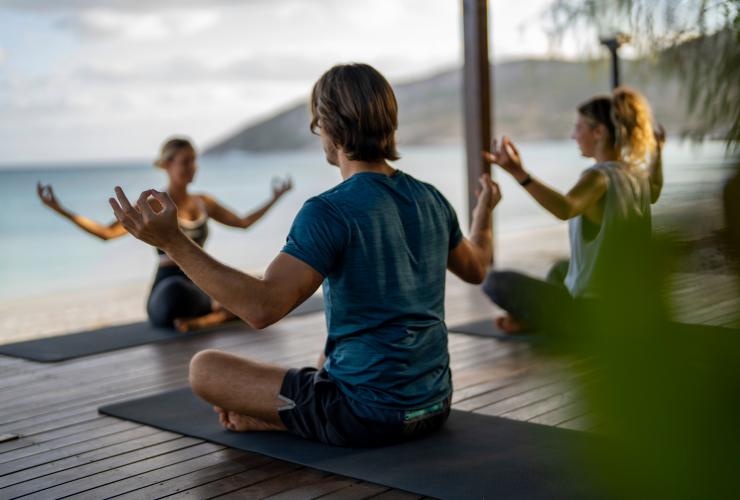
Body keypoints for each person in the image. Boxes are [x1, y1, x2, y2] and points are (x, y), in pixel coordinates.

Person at [109, 63, 501, 447]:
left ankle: (286, 421)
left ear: (327, 126)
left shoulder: (329, 210)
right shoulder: (431, 198)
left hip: (368, 416)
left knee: (205, 369)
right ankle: (299, 412)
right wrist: (483, 214)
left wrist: (174, 241)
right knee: (330, 350)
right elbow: (477, 267)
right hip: (434, 404)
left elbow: (261, 307)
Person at [37, 137, 292, 332]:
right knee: (176, 291)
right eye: (186, 162)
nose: (193, 168)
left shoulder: (204, 202)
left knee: (254, 284)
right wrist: (61, 210)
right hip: (168, 286)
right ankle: (218, 313)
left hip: (202, 280)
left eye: (194, 161)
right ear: (168, 165)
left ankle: (212, 316)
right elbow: (106, 233)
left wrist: (275, 198)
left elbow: (243, 222)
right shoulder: (154, 204)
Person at [481, 86, 665, 333]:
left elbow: (565, 208)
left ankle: (543, 322)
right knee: (561, 269)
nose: (573, 135)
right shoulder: (636, 175)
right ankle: (532, 319)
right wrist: (659, 153)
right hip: (631, 306)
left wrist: (519, 173)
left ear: (598, 132)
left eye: (579, 128)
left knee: (494, 281)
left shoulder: (598, 177)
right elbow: (655, 189)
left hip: (596, 316)